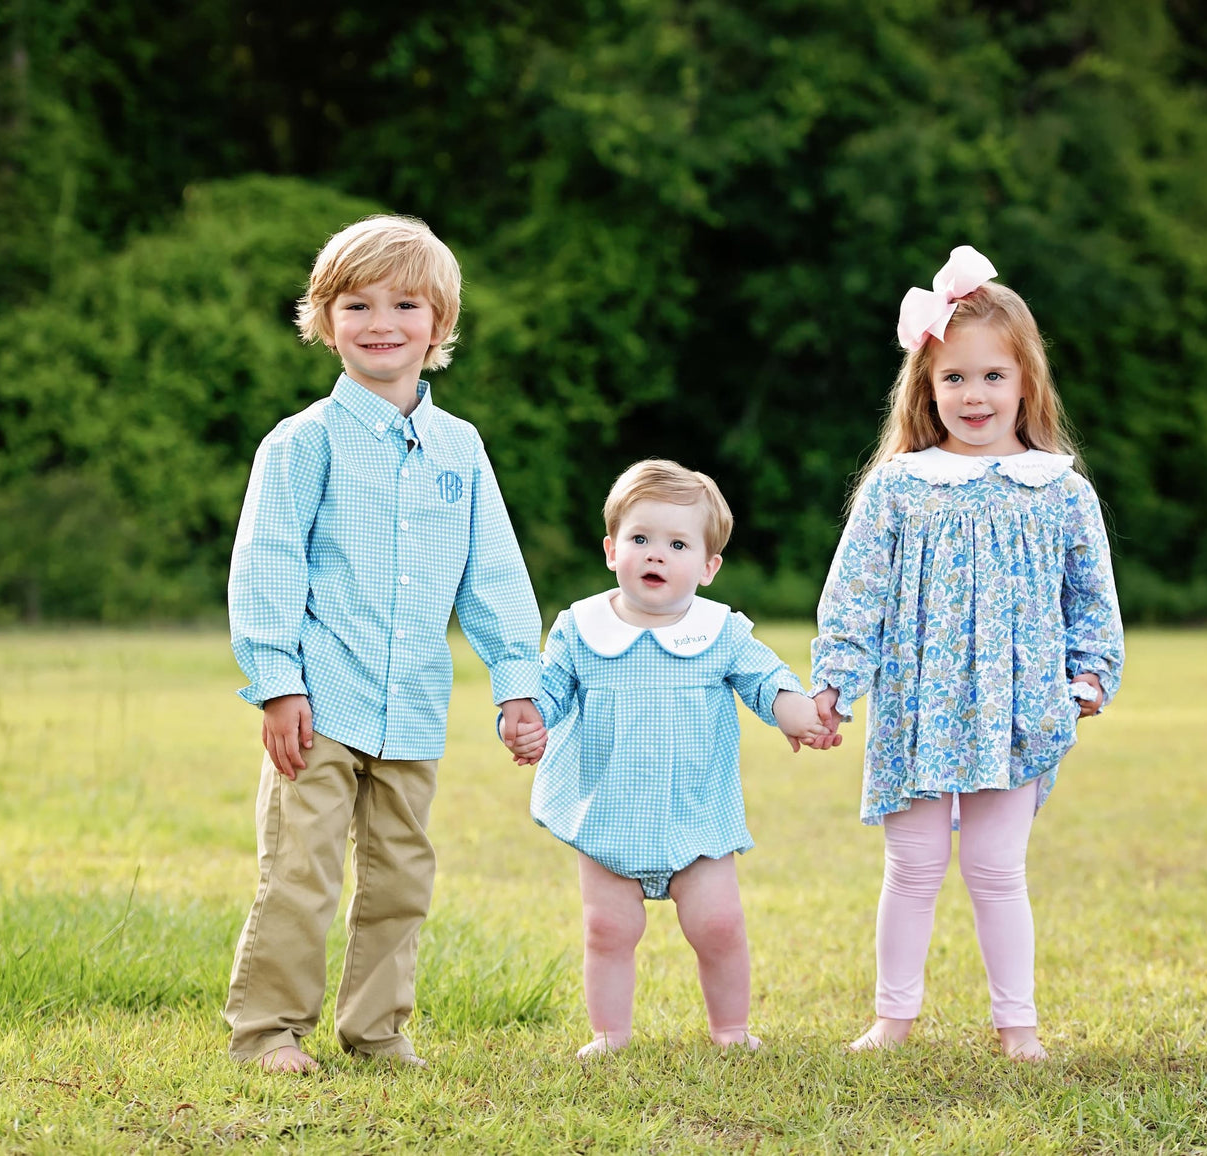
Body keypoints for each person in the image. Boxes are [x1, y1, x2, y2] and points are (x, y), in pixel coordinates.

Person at [224, 214, 544, 1073]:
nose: (380, 323)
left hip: (412, 707)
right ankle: (267, 1032)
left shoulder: (460, 450)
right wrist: (277, 682)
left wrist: (518, 681)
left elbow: (494, 576)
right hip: (321, 700)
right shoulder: (303, 444)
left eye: (405, 304)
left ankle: (377, 1032)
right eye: (356, 304)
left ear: (437, 327)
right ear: (324, 319)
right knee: (301, 873)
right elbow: (267, 566)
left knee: (402, 880)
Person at [811, 246, 1124, 1061]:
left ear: (1025, 382)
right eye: (952, 378)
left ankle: (1016, 1025)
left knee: (995, 869)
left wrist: (1087, 675)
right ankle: (892, 1018)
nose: (972, 395)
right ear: (925, 386)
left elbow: (1090, 598)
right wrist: (838, 683)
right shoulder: (899, 486)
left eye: (991, 376)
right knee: (911, 865)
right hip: (917, 704)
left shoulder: (1057, 488)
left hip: (1016, 708)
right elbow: (854, 594)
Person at [510, 459, 837, 1059]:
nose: (655, 554)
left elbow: (765, 679)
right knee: (608, 930)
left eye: (677, 544)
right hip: (608, 813)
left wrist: (795, 710)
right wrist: (529, 719)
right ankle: (609, 1034)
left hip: (695, 816)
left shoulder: (720, 630)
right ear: (612, 550)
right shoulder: (581, 628)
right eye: (640, 539)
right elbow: (549, 692)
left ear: (709, 567)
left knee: (718, 926)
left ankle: (731, 1029)